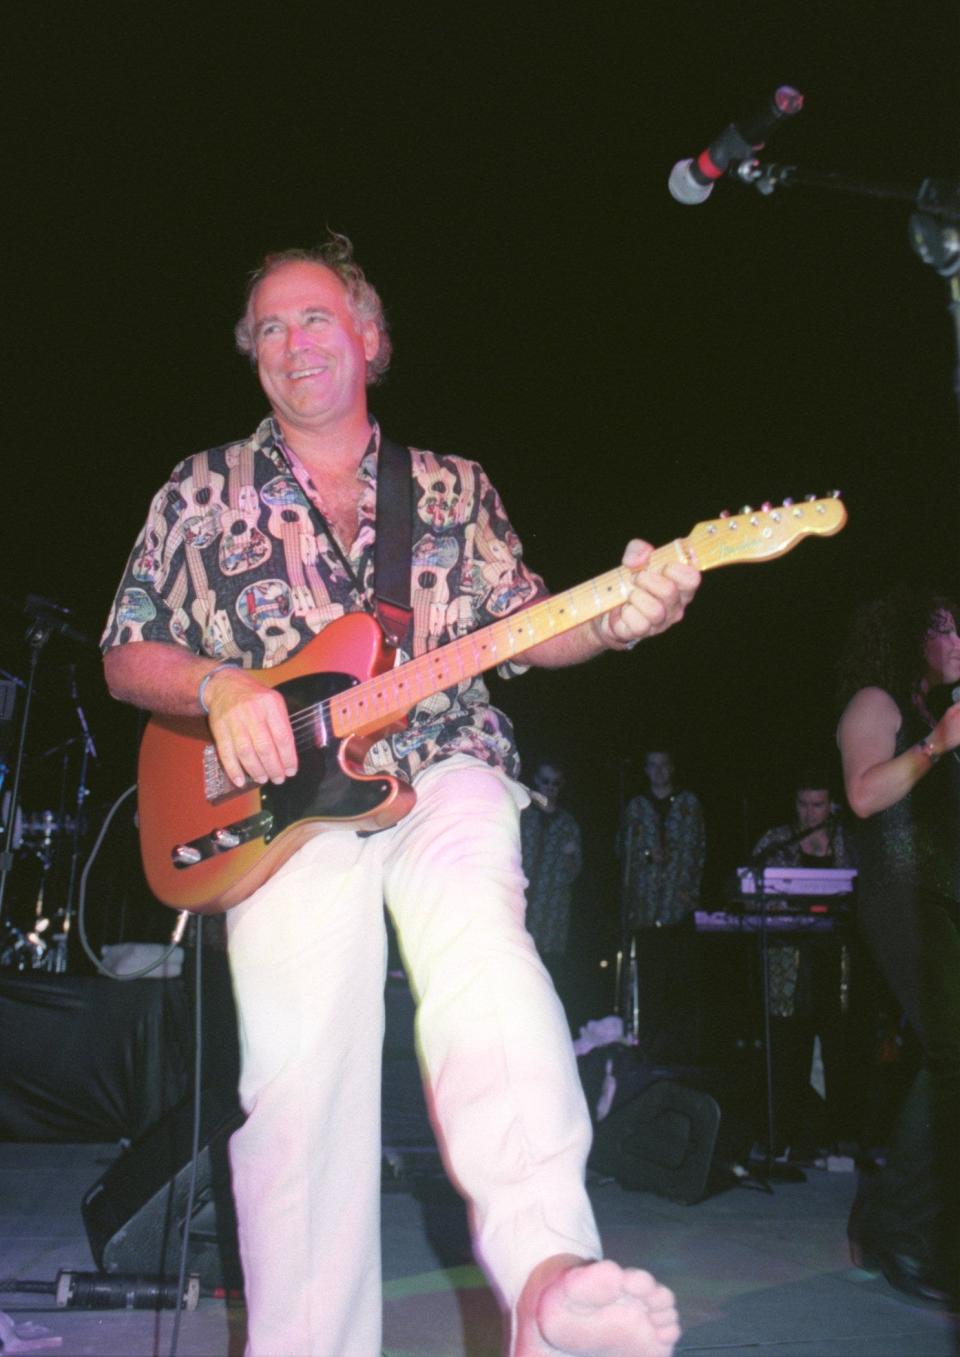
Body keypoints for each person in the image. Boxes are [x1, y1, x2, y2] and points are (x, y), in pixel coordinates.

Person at [101, 235, 701, 1357]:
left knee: (486, 959)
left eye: (315, 316)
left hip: (443, 768)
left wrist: (617, 614)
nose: (293, 343)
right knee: (298, 1073)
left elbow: (529, 624)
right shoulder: (201, 489)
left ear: (369, 338)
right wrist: (218, 685)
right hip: (274, 811)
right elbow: (127, 647)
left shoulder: (452, 488)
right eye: (268, 328)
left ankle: (548, 1280)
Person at [837, 585, 960, 1307]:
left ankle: (913, 1222)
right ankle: (897, 1228)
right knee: (953, 1048)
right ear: (909, 638)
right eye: (939, 630)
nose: (954, 641)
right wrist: (935, 745)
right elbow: (861, 795)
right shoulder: (877, 703)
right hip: (898, 894)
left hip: (944, 894)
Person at [750, 771, 863, 1158]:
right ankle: (785, 1137)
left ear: (831, 805)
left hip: (839, 960)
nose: (810, 813)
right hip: (790, 961)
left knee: (839, 1048)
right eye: (803, 804)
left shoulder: (848, 841)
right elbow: (751, 891)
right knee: (788, 1049)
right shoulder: (776, 840)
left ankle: (839, 1138)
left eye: (818, 805)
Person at [618, 749, 705, 1063]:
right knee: (650, 984)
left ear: (672, 768)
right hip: (645, 910)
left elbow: (700, 851)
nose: (658, 772)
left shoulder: (689, 804)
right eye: (652, 765)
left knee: (680, 984)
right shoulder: (636, 807)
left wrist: (691, 893)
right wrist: (645, 856)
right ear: (645, 769)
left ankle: (681, 1054)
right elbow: (623, 851)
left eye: (664, 765)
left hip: (679, 909)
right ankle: (650, 1052)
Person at [520, 758, 582, 1016]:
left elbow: (575, 872)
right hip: (518, 906)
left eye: (556, 783)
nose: (550, 788)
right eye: (545, 781)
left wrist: (571, 857)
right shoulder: (521, 814)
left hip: (550, 915)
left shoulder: (568, 824)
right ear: (536, 780)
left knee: (547, 975)